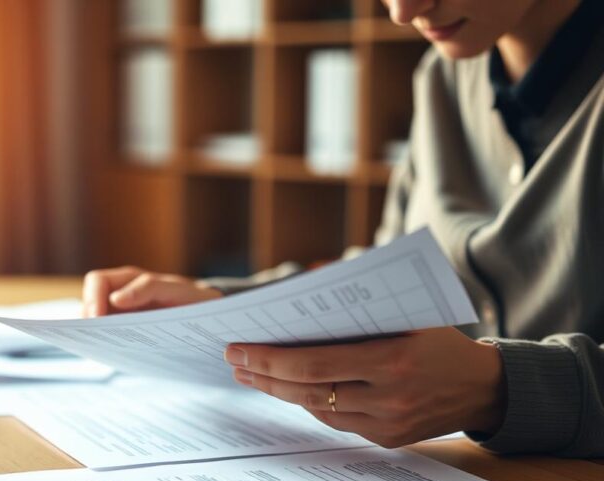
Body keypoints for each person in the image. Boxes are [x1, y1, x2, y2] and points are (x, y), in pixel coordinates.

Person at [82, 0, 604, 457]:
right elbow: (394, 273)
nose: (401, 11)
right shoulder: (443, 76)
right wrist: (218, 303)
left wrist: (499, 389)